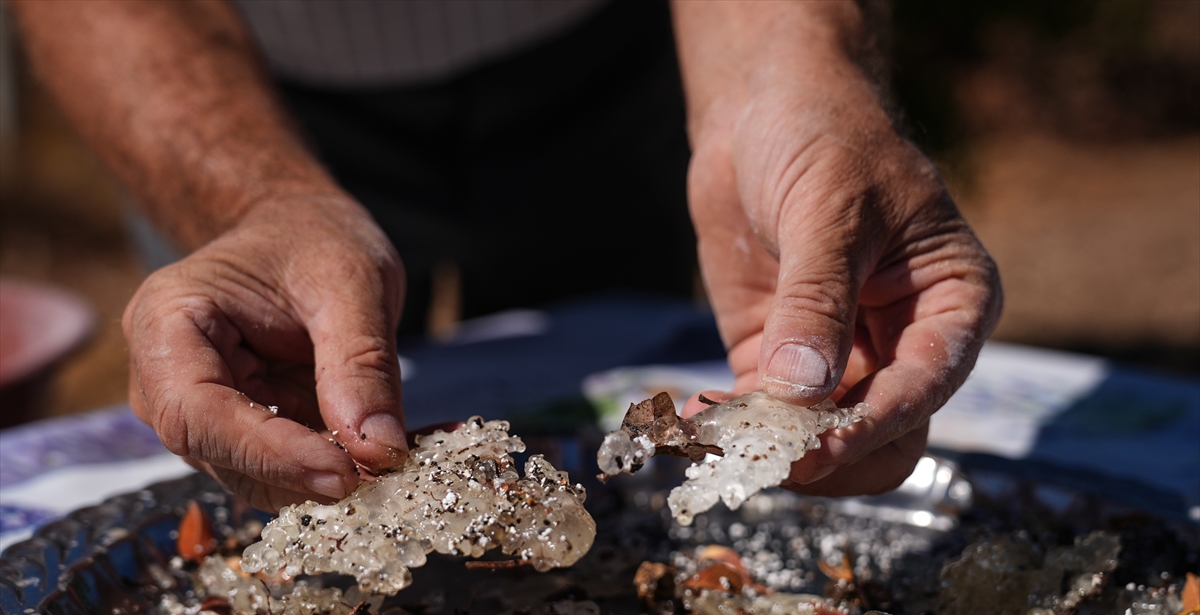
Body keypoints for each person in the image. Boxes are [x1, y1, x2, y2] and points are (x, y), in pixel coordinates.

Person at [11, 0, 1001, 511]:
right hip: (222, 77)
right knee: (270, 424)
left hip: (608, 49)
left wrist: (791, 72)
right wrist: (253, 200)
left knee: (608, 480)